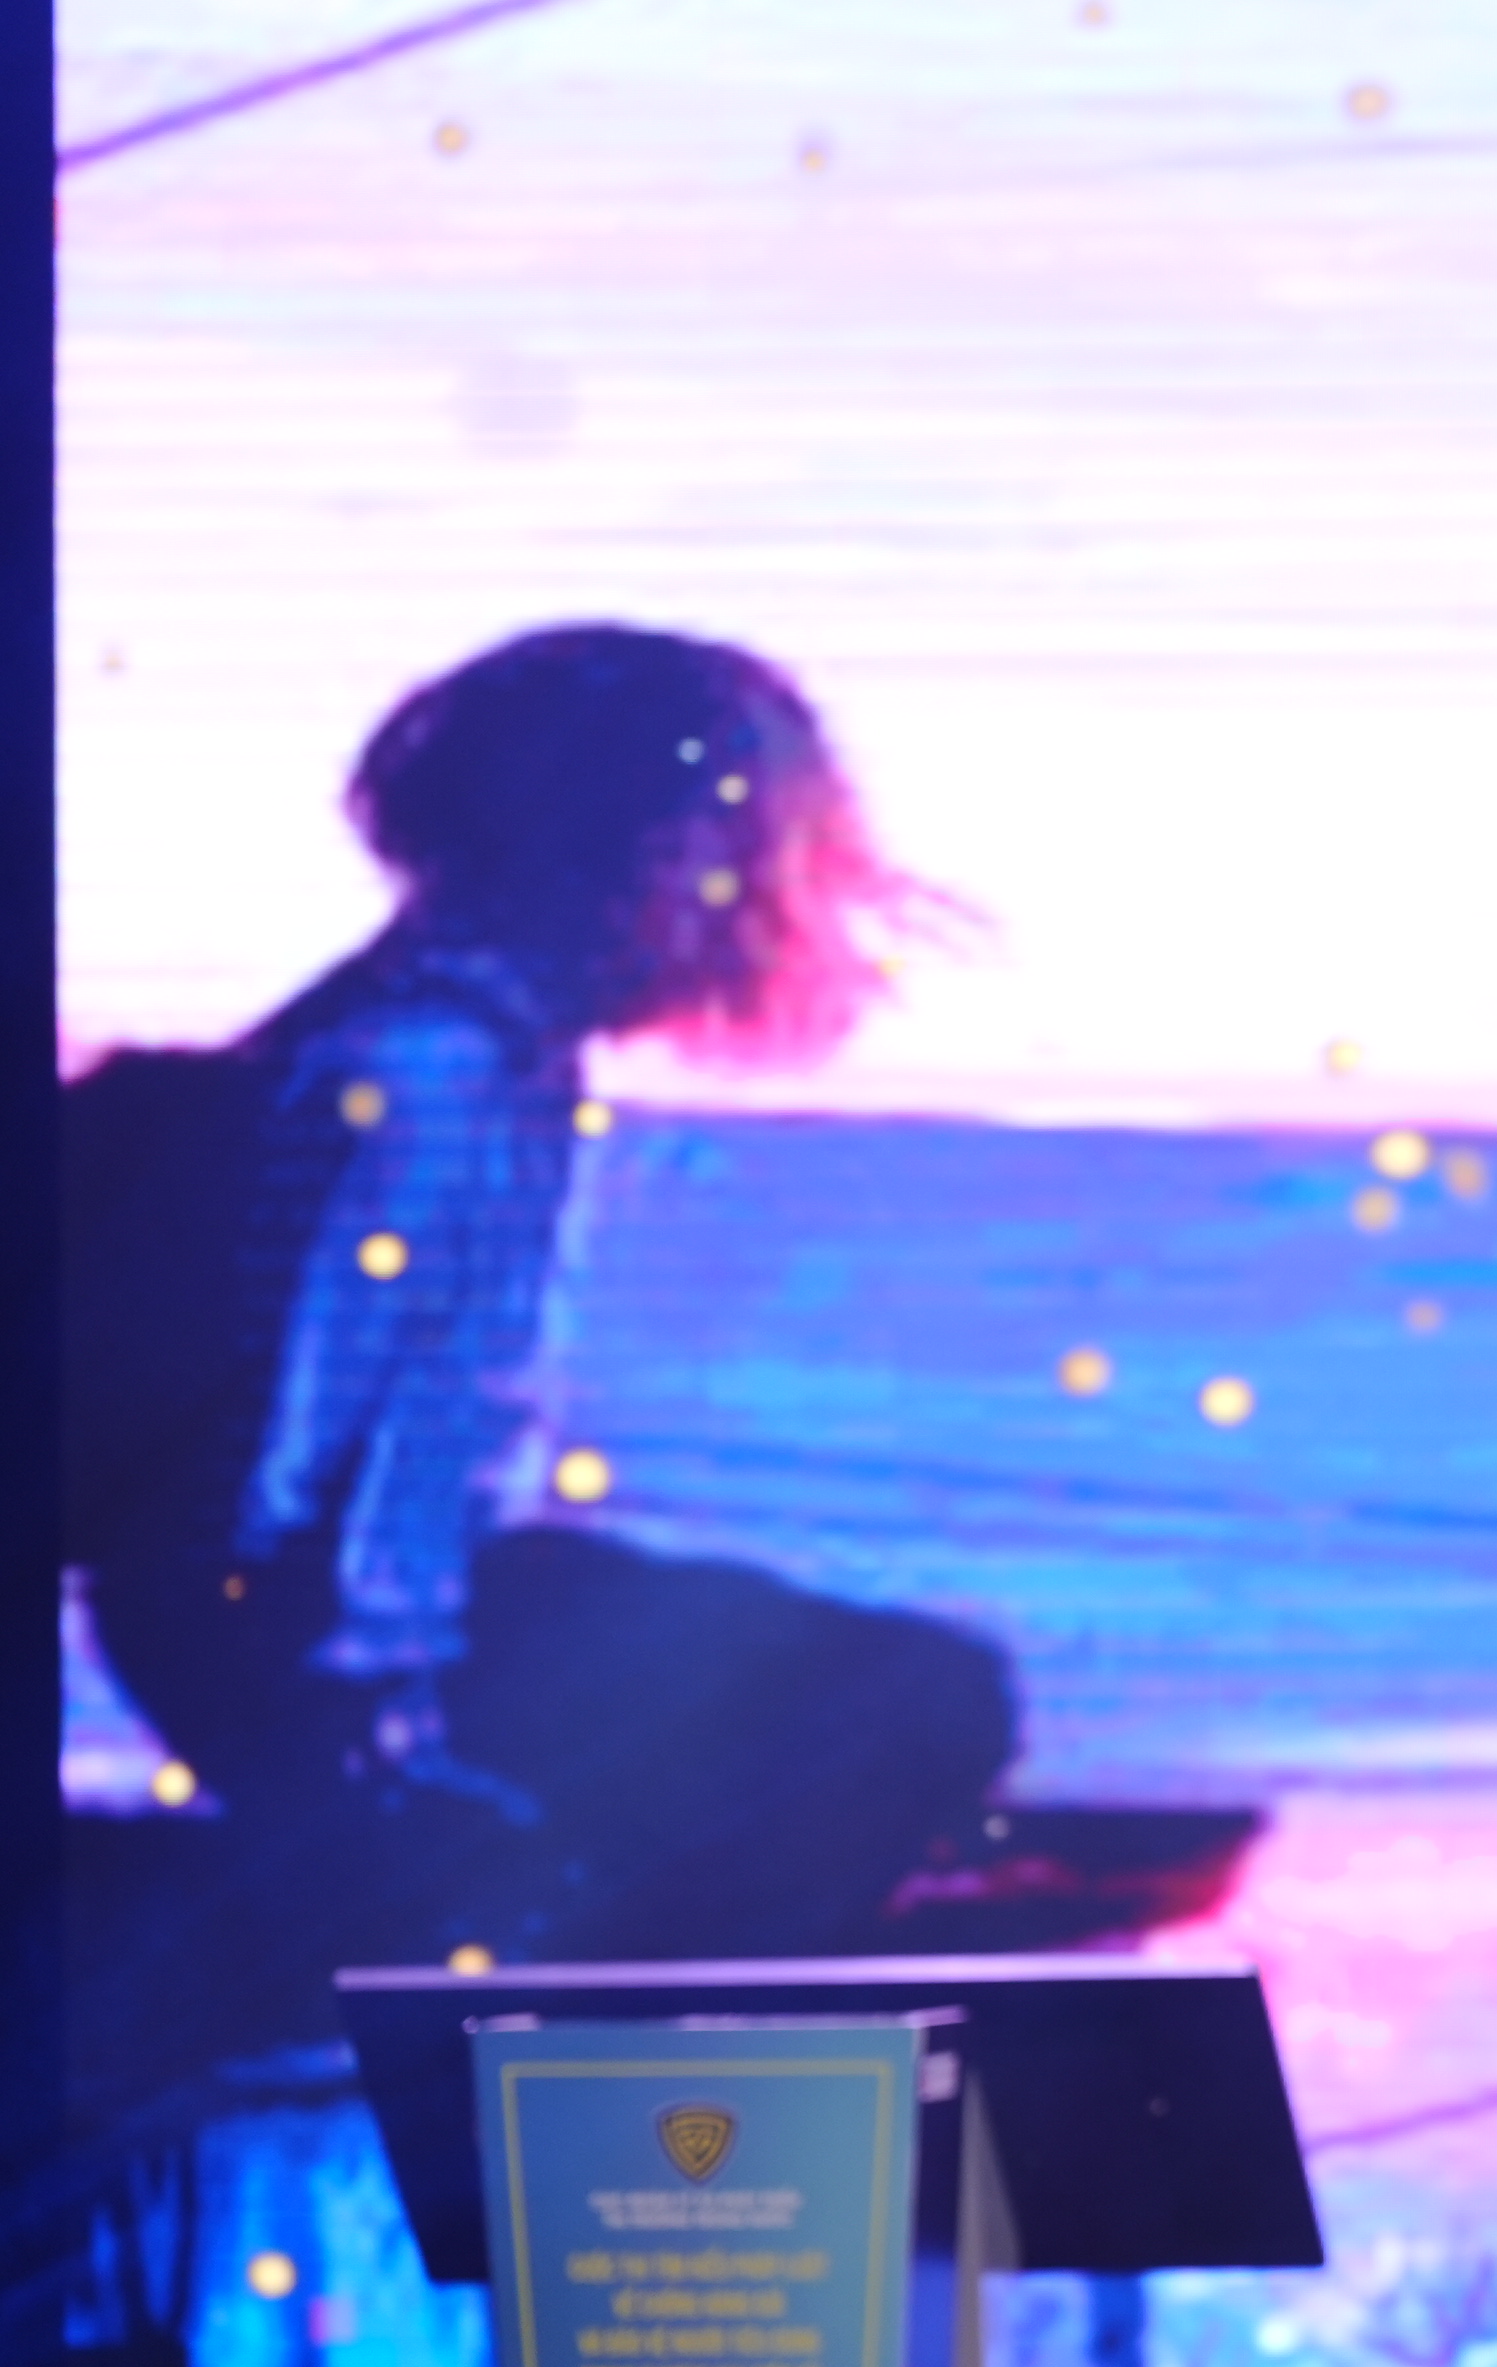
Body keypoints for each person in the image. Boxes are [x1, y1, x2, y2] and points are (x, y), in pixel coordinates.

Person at [64, 624, 1016, 1994]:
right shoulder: (421, 1075)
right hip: (326, 1663)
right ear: (629, 849)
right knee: (917, 1702)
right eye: (741, 849)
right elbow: (262, 1506)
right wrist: (381, 1778)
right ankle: (580, 2000)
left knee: (873, 1682)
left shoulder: (492, 1056)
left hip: (375, 1619)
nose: (759, 903)